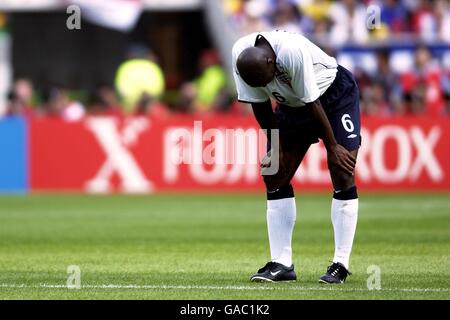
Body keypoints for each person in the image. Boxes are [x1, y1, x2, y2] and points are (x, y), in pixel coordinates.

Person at [232, 30, 360, 284]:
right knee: (274, 173)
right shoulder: (241, 56)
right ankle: (282, 263)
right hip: (292, 106)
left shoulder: (292, 51)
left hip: (334, 97)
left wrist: (333, 146)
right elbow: (260, 105)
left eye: (266, 80)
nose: (264, 86)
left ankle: (340, 264)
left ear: (272, 62)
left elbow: (313, 103)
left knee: (342, 170)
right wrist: (275, 145)